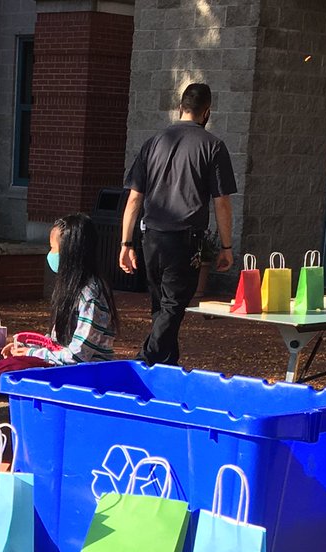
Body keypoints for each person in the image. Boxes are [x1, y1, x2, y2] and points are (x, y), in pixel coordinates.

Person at [119, 82, 236, 366]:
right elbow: (221, 202)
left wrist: (126, 243)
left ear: (180, 107)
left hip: (151, 238)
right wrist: (226, 246)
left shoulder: (153, 142)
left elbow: (134, 198)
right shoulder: (213, 146)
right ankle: (144, 362)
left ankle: (166, 366)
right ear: (206, 112)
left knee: (161, 306)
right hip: (185, 239)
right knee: (173, 306)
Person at [0, 213, 117, 398]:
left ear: (71, 253)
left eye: (53, 248)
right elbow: (57, 343)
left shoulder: (89, 295)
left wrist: (32, 353)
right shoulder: (73, 290)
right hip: (68, 375)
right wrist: (24, 347)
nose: (50, 254)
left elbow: (77, 356)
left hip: (86, 381)